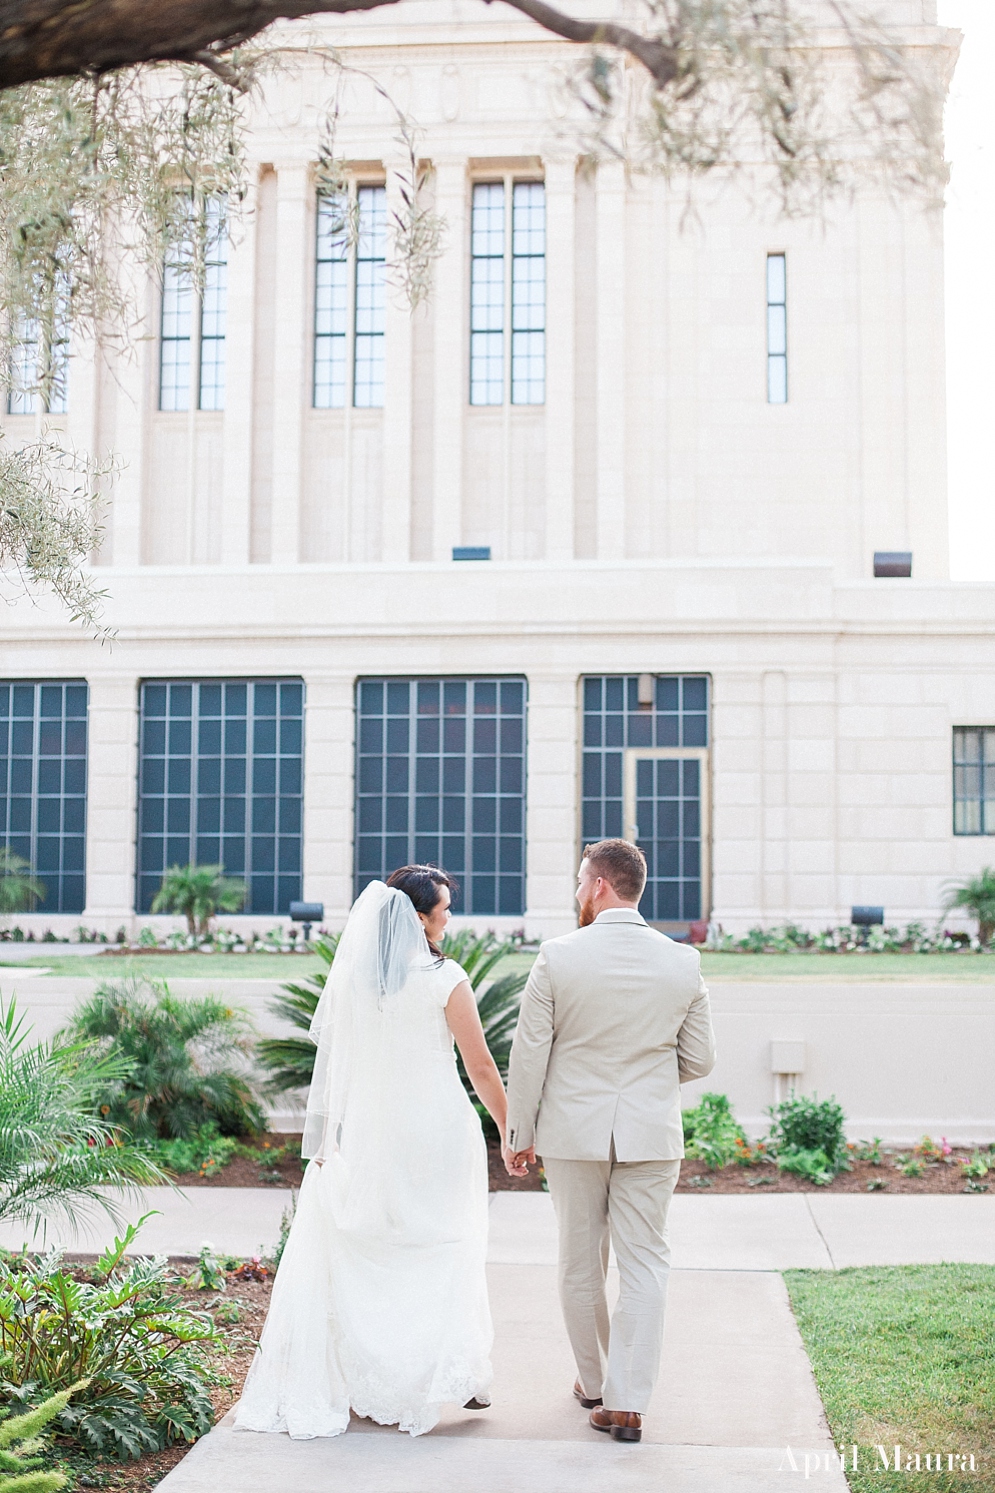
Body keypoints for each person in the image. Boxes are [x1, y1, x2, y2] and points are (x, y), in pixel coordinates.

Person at [235, 865, 522, 1439]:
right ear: (418, 919)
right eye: (443, 910)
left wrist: (331, 1136)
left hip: (370, 1129)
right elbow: (482, 1066)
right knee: (445, 1243)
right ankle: (443, 1373)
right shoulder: (446, 978)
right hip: (436, 1130)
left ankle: (377, 1382)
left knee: (375, 1245)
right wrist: (512, 1131)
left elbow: (338, 1068)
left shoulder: (356, 983)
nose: (449, 919)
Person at [504, 838, 716, 1444]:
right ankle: (628, 1402)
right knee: (645, 1262)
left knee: (579, 1260)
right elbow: (701, 1059)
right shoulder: (683, 962)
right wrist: (647, 1082)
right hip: (652, 1134)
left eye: (579, 882)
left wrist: (519, 1134)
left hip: (571, 1132)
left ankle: (597, 1384)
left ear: (599, 885)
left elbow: (528, 1057)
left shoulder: (558, 955)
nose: (577, 893)